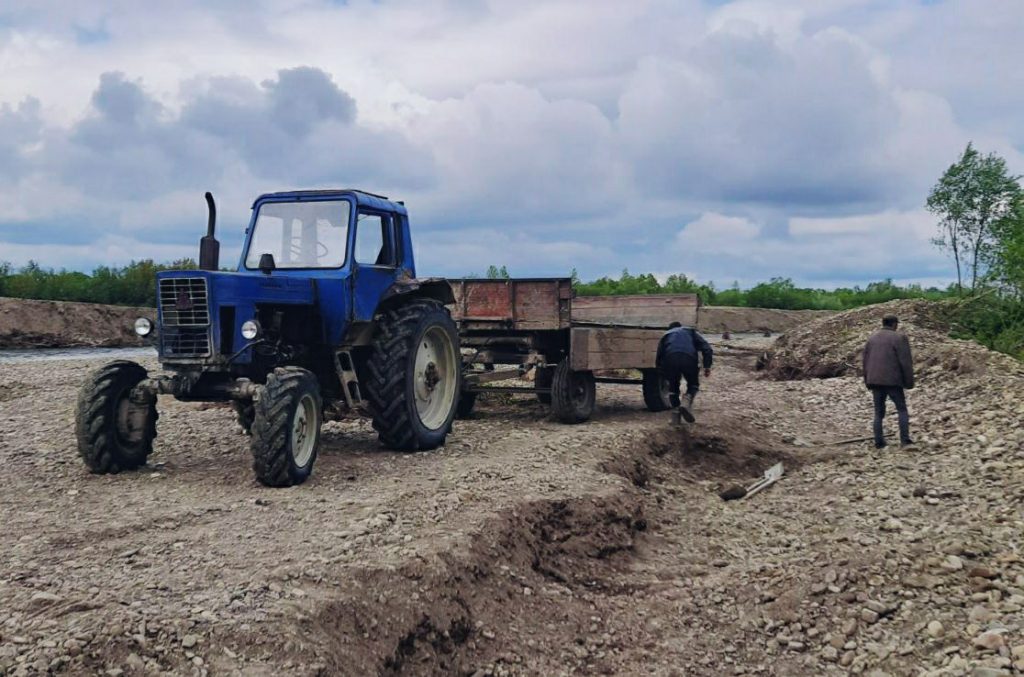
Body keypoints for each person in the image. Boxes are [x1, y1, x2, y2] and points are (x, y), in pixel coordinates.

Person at [862, 315, 915, 449]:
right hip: (893, 380)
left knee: (878, 413)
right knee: (901, 409)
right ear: (894, 324)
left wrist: (867, 380)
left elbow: (865, 361)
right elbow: (905, 362)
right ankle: (904, 440)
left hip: (874, 380)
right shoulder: (899, 338)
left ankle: (879, 442)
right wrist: (909, 382)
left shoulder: (872, 338)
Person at [656, 321, 713, 423]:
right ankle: (686, 403)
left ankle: (675, 417)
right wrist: (707, 366)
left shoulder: (666, 335)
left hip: (670, 358)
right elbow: (707, 348)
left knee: (673, 388)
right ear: (680, 326)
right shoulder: (690, 332)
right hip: (689, 358)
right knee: (693, 384)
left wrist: (663, 373)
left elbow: (659, 356)